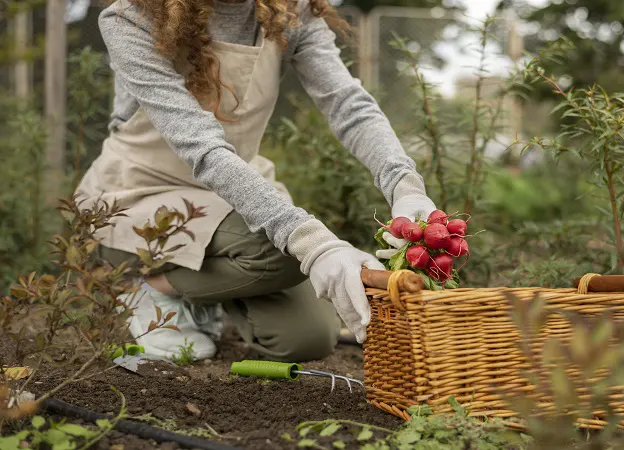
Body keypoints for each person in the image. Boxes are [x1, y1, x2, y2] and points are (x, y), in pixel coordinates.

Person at [76, 0, 437, 363]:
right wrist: (316, 244)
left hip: (233, 193)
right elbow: (201, 146)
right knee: (286, 248)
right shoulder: (132, 18)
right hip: (142, 193)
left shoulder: (289, 12)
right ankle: (146, 289)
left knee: (307, 339)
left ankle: (192, 291)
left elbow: (348, 104)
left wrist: (404, 186)